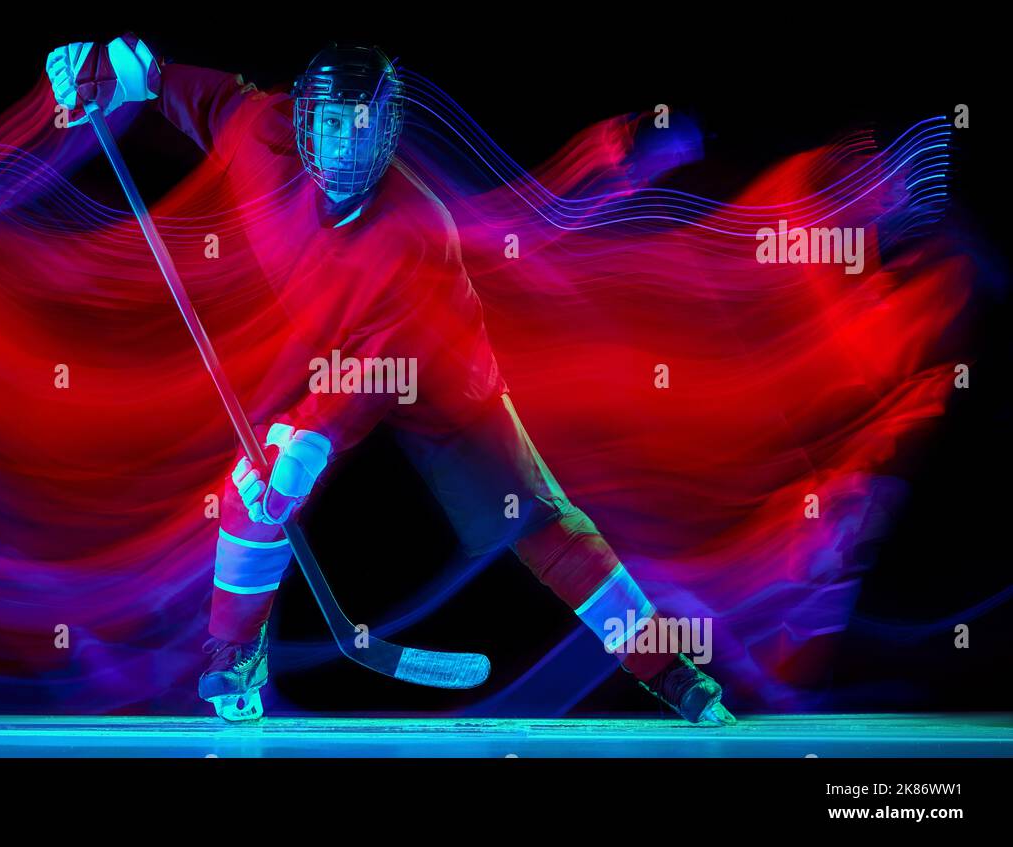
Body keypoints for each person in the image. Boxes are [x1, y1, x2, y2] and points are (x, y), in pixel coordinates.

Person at [46, 35, 736, 725]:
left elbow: (382, 369)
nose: (348, 143)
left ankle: (673, 671)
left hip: (439, 374)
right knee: (253, 488)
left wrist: (309, 438)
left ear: (388, 125)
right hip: (326, 349)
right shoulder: (260, 134)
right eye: (333, 123)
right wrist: (102, 71)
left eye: (365, 123)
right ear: (304, 122)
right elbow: (175, 85)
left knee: (538, 522)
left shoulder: (412, 229)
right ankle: (232, 658)